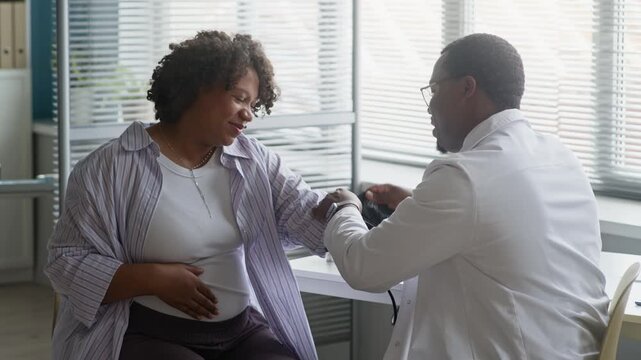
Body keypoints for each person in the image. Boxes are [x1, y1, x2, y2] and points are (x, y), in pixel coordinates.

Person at [314, 33, 609, 359]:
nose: (429, 108)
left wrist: (346, 209)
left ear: (467, 88)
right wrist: (418, 202)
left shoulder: (465, 178)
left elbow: (363, 267)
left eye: (435, 91)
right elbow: (503, 218)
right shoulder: (559, 156)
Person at [46, 30, 328, 360]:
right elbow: (65, 261)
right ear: (197, 88)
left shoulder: (254, 161)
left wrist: (352, 206)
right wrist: (150, 279)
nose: (248, 114)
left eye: (253, 104)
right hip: (145, 333)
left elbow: (307, 211)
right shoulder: (109, 167)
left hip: (240, 332)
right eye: (239, 99)